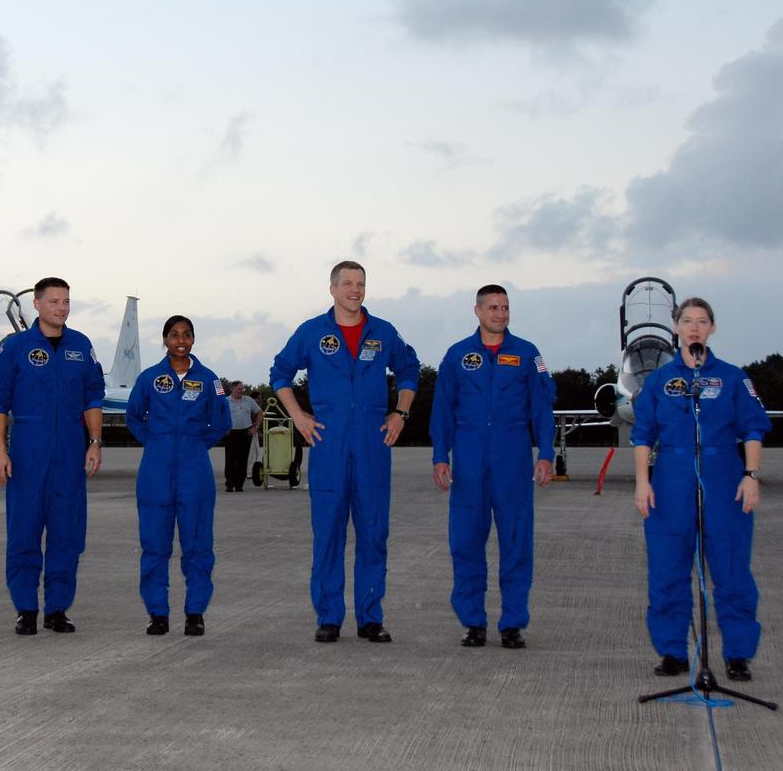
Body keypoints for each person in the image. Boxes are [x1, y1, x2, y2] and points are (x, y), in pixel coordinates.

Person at [270, 261, 419, 643]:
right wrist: (299, 416)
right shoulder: (312, 332)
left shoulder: (382, 333)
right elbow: (280, 373)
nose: (356, 290)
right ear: (332, 288)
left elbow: (409, 369)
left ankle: (370, 617)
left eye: (361, 284)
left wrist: (400, 412)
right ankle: (329, 617)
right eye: (348, 283)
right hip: (329, 446)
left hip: (373, 445)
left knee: (373, 533)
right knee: (328, 535)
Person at [631, 297, 771, 682]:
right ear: (675, 327)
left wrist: (751, 475)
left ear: (712, 328)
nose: (694, 328)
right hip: (672, 480)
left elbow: (753, 428)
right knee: (667, 569)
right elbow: (642, 435)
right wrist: (643, 482)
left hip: (725, 477)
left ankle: (738, 653)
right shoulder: (658, 381)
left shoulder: (733, 377)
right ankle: (672, 650)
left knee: (731, 570)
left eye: (702, 321)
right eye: (687, 321)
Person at [430, 284, 556, 650]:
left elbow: (542, 407)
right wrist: (441, 455)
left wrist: (545, 452)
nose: (500, 314)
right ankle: (473, 622)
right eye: (493, 308)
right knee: (466, 541)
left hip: (513, 458)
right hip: (468, 460)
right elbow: (442, 410)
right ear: (477, 311)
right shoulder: (457, 356)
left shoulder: (529, 354)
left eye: (505, 307)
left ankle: (513, 623)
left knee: (517, 541)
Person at [0, 277, 105, 635]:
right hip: (27, 450)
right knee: (23, 532)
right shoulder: (15, 347)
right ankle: (26, 609)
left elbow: (93, 397)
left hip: (70, 449)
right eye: (54, 301)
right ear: (36, 305)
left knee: (67, 532)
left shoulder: (81, 346)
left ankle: (57, 608)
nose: (61, 308)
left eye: (66, 301)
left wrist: (95, 441)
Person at [126, 316, 232, 636]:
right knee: (154, 544)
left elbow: (222, 423)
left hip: (194, 471)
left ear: (193, 339)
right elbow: (134, 417)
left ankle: (195, 612)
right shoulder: (149, 378)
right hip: (155, 472)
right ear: (165, 339)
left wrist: (194, 444)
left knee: (198, 544)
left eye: (186, 334)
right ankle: (158, 613)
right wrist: (158, 442)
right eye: (174, 335)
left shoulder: (210, 380)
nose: (181, 340)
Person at [223, 381, 263, 492]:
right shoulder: (225, 401)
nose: (241, 391)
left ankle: (239, 485)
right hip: (231, 433)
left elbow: (260, 413)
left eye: (242, 389)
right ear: (233, 389)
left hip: (246, 433)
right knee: (230, 459)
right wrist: (223, 429)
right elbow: (218, 415)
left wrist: (256, 427)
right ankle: (229, 484)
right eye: (239, 389)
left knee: (242, 460)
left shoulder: (248, 400)